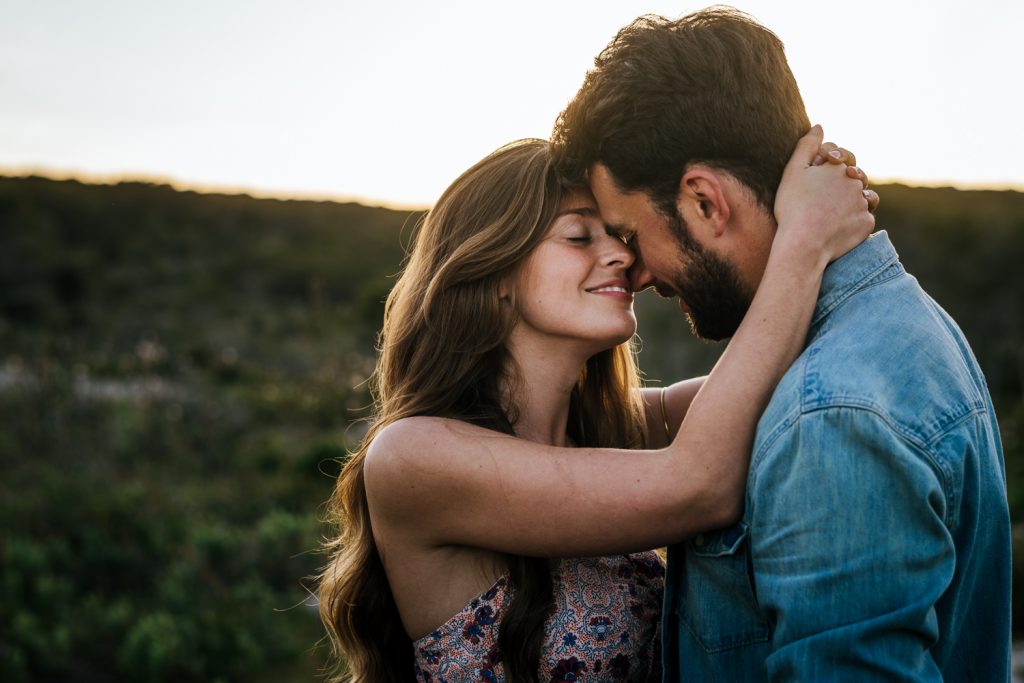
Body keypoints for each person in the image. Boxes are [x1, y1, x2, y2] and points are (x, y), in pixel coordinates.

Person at [550, 7, 1011, 681]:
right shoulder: (905, 327)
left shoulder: (829, 417)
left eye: (629, 233)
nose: (636, 272)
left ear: (705, 202)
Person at [317, 127, 872, 682]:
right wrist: (805, 241)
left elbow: (784, 378)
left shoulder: (617, 429)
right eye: (580, 237)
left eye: (618, 234)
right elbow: (700, 487)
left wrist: (807, 196)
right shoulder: (412, 458)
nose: (622, 256)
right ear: (496, 274)